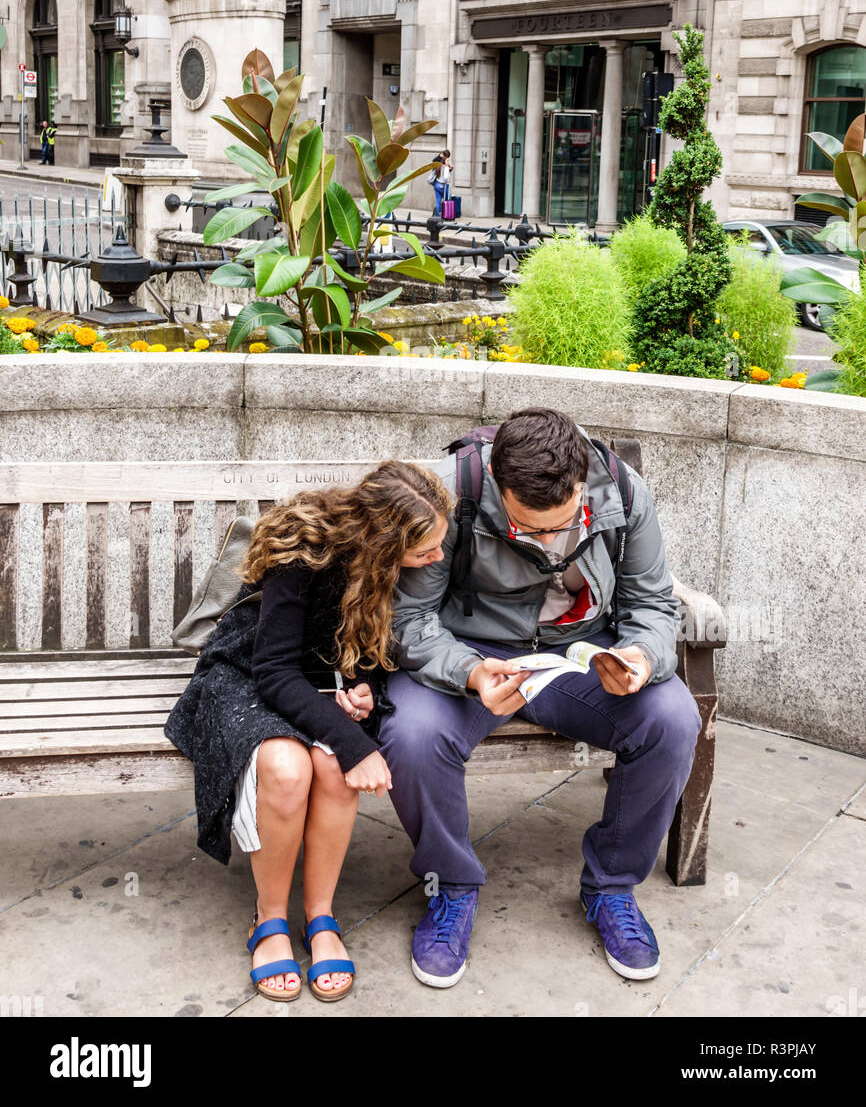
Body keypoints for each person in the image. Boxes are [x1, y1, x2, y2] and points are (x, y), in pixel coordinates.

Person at [379, 407, 702, 988]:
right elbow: (410, 619)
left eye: (560, 525)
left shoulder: (624, 491)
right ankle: (449, 887)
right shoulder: (451, 493)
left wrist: (642, 659)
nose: (548, 541)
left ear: (582, 484)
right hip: (472, 654)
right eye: (529, 528)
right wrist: (470, 672)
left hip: (580, 653)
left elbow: (652, 604)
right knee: (411, 732)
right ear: (499, 486)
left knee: (673, 718)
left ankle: (611, 888)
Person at [164, 461, 452, 1004]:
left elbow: (365, 645)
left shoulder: (384, 563)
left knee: (334, 771)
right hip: (248, 674)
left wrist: (363, 687)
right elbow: (272, 671)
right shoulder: (303, 544)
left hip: (317, 680)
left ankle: (320, 915)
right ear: (384, 540)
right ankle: (269, 918)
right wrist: (355, 744)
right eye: (425, 550)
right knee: (288, 766)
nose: (436, 558)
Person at [429, 149, 453, 218]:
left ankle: (437, 214)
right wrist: (449, 173)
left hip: (436, 184)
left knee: (438, 200)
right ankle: (447, 214)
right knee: (448, 199)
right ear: (445, 160)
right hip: (443, 185)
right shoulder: (445, 168)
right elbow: (445, 178)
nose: (449, 161)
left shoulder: (438, 166)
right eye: (448, 160)